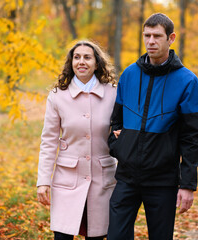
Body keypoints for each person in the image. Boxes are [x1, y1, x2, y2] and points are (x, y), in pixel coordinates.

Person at [107, 13, 198, 240]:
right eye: (147, 35)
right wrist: (117, 145)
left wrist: (187, 184)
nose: (151, 41)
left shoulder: (187, 80)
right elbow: (115, 121)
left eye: (157, 36)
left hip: (163, 180)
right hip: (127, 178)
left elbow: (191, 137)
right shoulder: (129, 74)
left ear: (171, 38)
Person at [36, 40, 117, 240]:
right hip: (67, 179)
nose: (81, 62)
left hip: (102, 179)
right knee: (62, 236)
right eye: (77, 57)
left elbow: (121, 134)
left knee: (97, 235)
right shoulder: (57, 96)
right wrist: (43, 181)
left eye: (87, 57)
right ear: (71, 62)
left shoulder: (113, 93)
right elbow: (49, 141)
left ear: (97, 63)